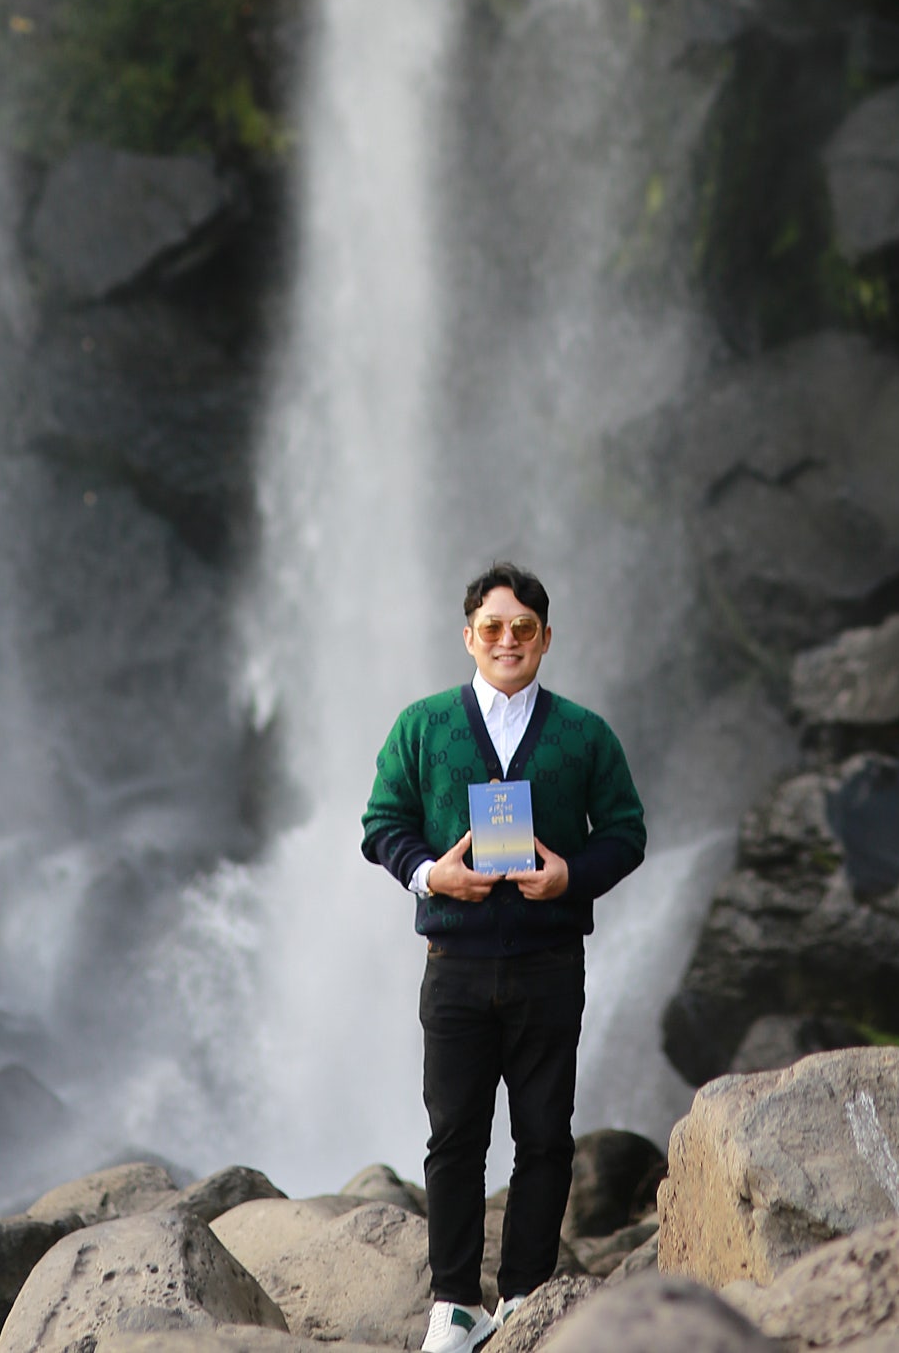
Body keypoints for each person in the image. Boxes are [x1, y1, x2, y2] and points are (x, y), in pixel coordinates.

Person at [361, 560, 646, 1353]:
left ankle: (524, 1295)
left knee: (545, 1136)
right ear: (468, 637)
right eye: (493, 627)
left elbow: (626, 831)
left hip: (549, 965)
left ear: (546, 638)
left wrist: (570, 875)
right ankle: (454, 1305)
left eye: (523, 628)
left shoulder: (585, 732)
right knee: (453, 1136)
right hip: (453, 963)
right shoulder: (422, 726)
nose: (508, 639)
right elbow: (381, 822)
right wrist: (430, 872)